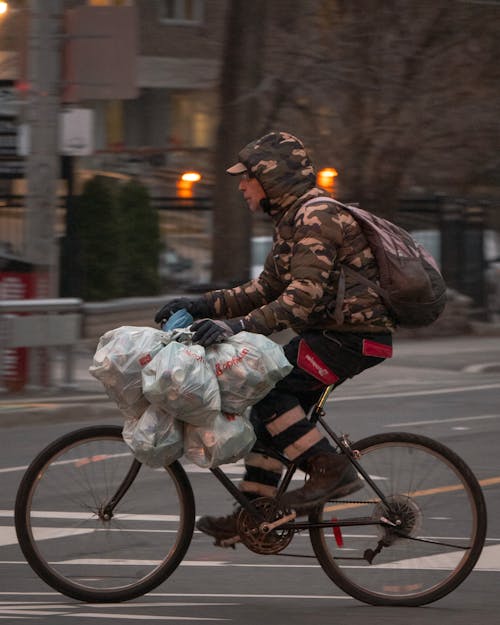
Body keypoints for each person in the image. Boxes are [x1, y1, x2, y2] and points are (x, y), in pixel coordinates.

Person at [154, 131, 394, 545]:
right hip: (329, 334)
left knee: (267, 390)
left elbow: (298, 301)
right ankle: (257, 512)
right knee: (265, 414)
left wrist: (235, 327)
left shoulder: (316, 217)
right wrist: (200, 304)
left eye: (246, 177)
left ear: (272, 178)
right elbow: (264, 289)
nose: (241, 186)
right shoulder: (292, 220)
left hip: (352, 337)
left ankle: (329, 468)